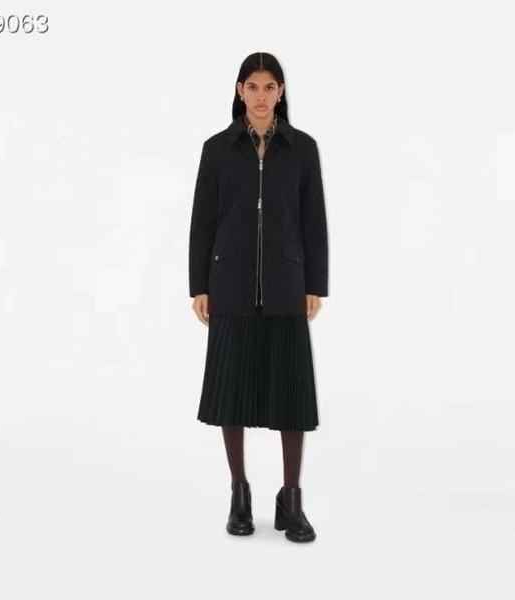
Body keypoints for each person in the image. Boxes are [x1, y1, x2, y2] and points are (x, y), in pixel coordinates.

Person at [188, 52, 329, 543]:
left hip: (288, 284)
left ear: (282, 91)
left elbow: (314, 220)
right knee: (231, 394)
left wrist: (315, 283)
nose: (262, 96)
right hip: (229, 284)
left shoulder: (303, 149)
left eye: (270, 87)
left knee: (292, 396)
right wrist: (199, 285)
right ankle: (239, 495)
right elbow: (202, 220)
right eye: (253, 86)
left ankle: (292, 500)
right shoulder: (217, 150)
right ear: (239, 91)